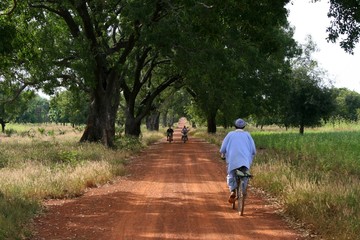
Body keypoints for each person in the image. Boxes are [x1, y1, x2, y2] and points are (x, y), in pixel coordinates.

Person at [219, 118, 256, 204]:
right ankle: (243, 191)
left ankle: (232, 191)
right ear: (244, 126)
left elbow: (222, 149)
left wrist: (223, 154)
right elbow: (254, 150)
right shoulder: (248, 135)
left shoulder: (230, 134)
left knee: (231, 174)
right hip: (245, 161)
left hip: (233, 160)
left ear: (234, 126)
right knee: (245, 174)